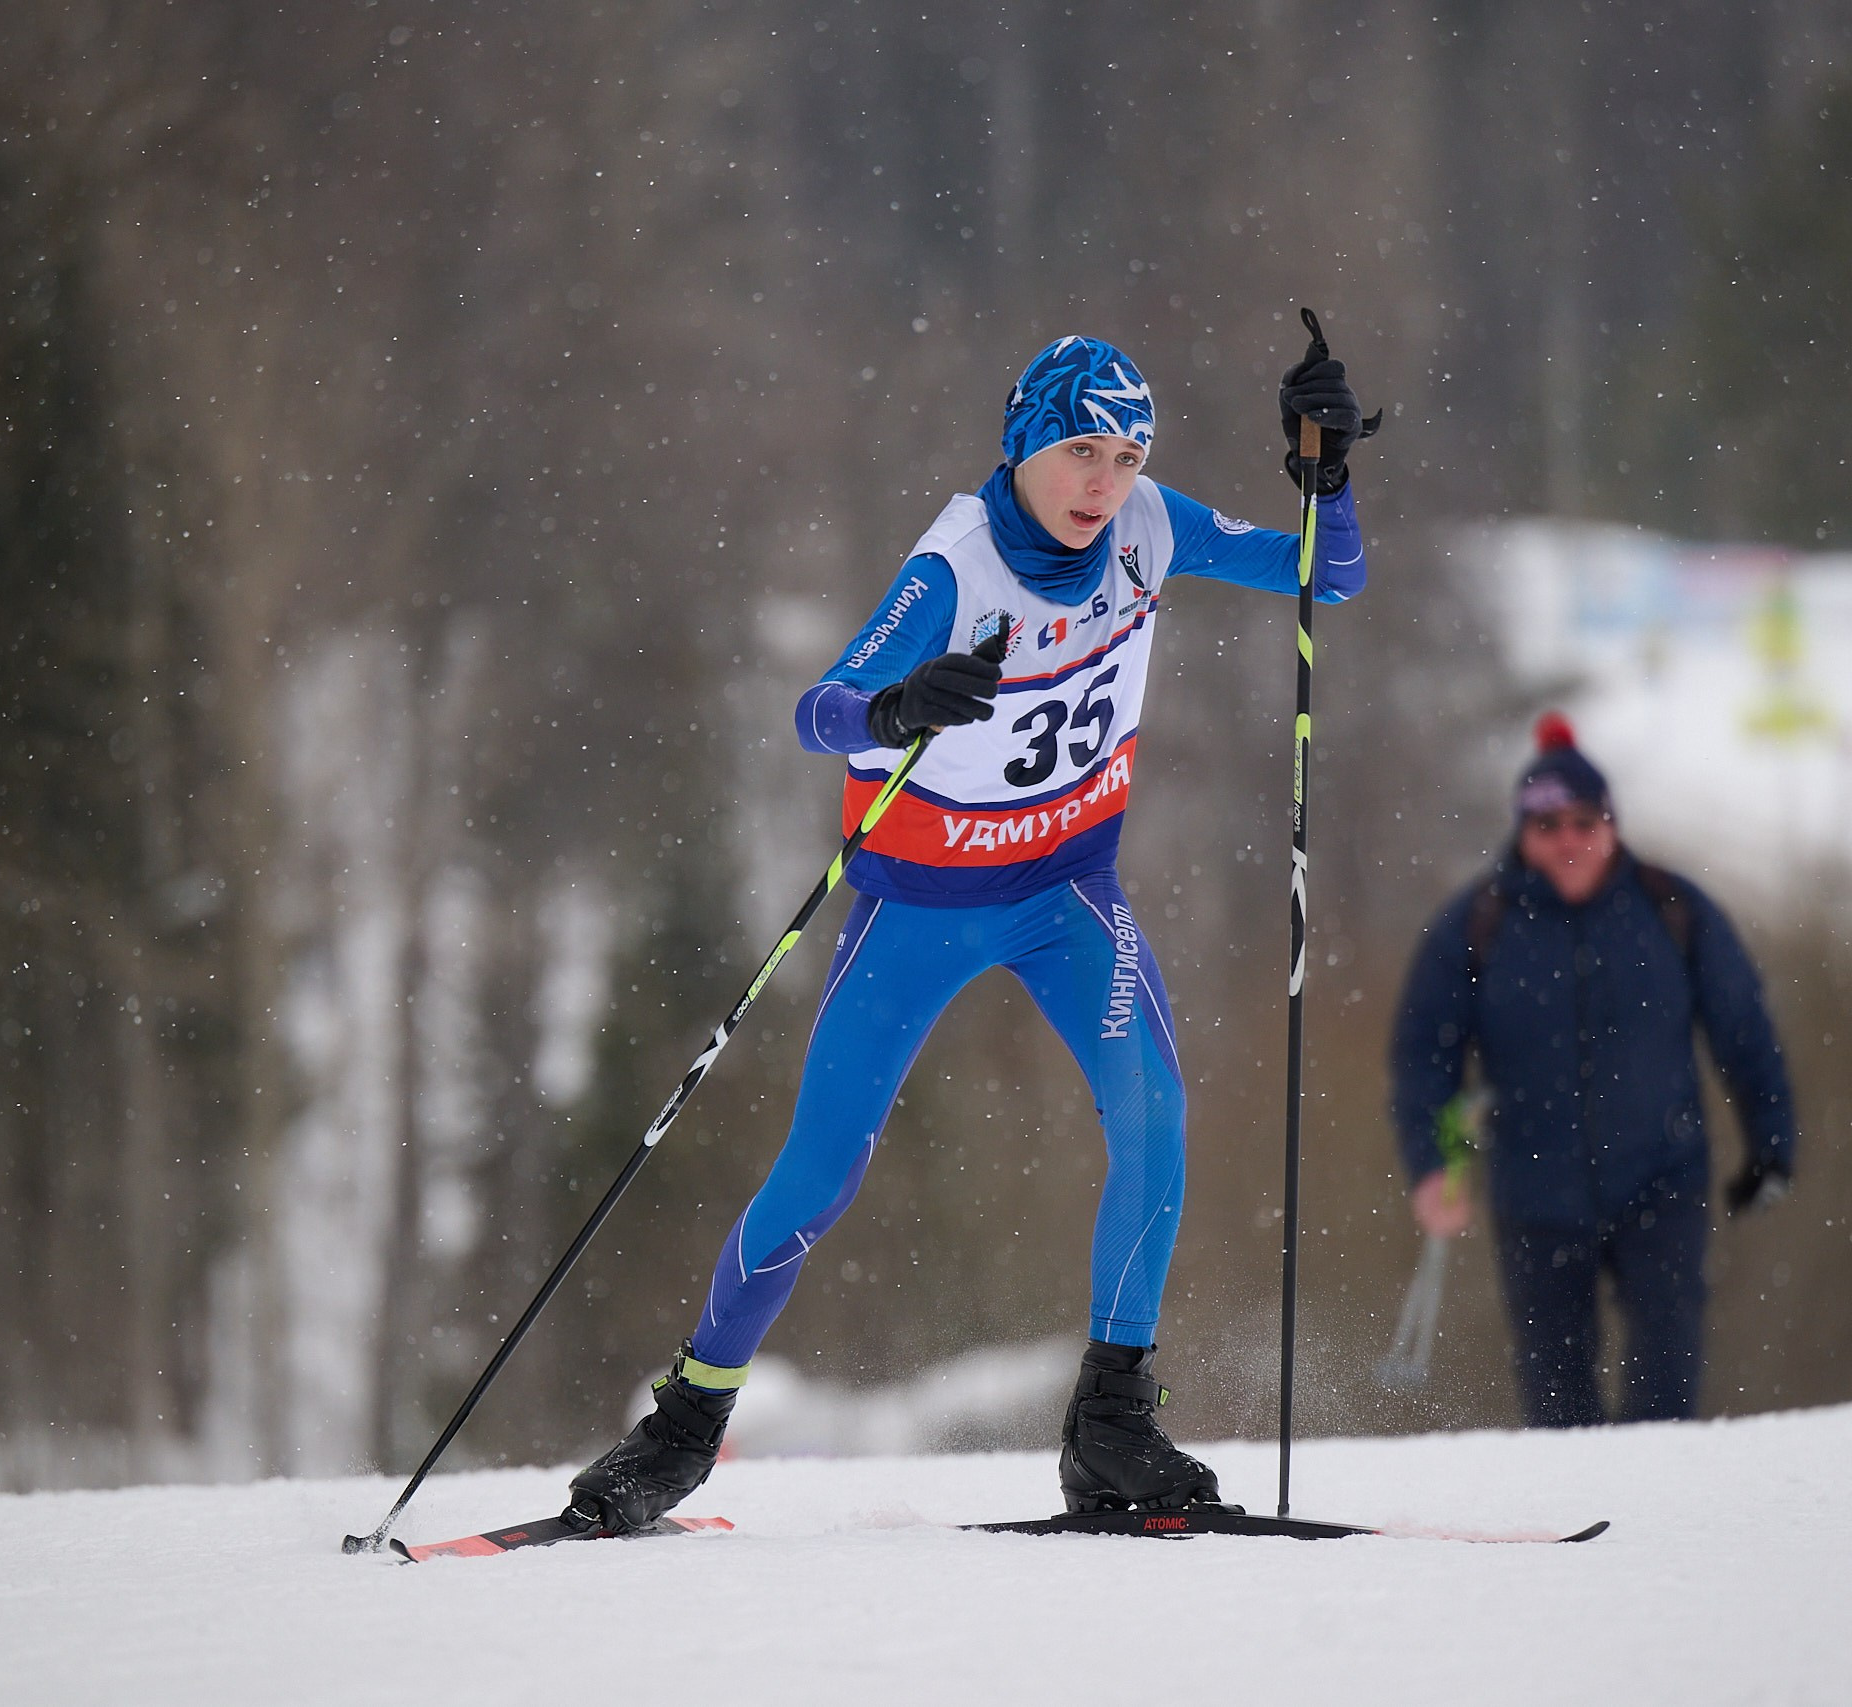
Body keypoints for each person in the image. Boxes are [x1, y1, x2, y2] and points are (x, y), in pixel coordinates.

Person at [563, 329, 1378, 1531]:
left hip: (1068, 894)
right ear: (1022, 444)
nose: (1105, 483)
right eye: (1080, 452)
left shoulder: (1149, 527)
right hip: (920, 905)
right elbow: (817, 712)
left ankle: (1112, 1426)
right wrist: (896, 705)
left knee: (1155, 1118)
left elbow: (1328, 576)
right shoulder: (953, 566)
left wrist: (1329, 474)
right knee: (821, 1173)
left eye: (1128, 453)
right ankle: (684, 1426)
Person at [1387, 713, 1796, 1427]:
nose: (1569, 841)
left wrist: (1772, 1144)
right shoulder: (1476, 925)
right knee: (1557, 1407)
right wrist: (1429, 1167)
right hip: (1535, 1198)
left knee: (1666, 1394)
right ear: (1522, 832)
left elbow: (1746, 1031)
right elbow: (1423, 1055)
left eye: (1584, 821)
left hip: (1663, 1183)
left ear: (1611, 823)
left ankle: (1658, 1520)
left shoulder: (1674, 910)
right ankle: (1575, 1524)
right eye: (1549, 827)